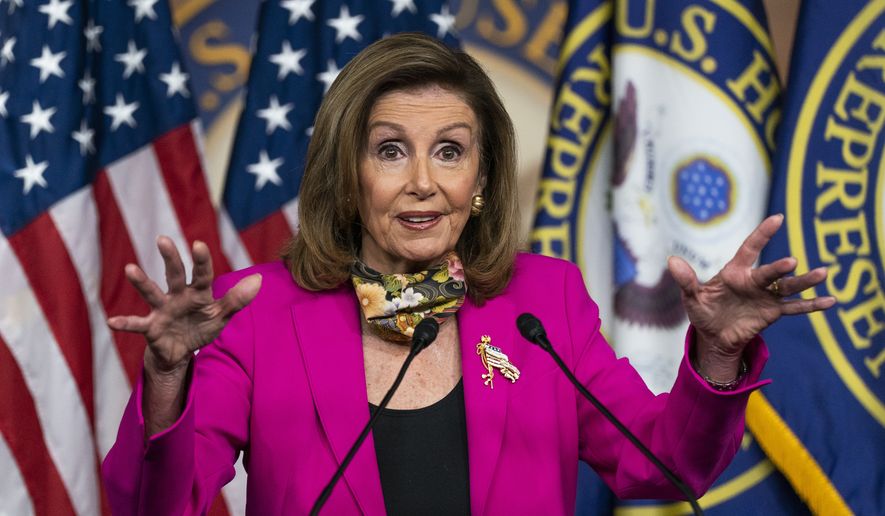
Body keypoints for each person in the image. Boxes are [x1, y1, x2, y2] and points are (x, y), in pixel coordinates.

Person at [101, 33, 834, 515]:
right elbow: (158, 507)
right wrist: (168, 375)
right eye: (390, 151)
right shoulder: (257, 311)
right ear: (346, 174)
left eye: (449, 151)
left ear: (480, 177)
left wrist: (715, 354)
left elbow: (664, 464)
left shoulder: (542, 302)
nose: (423, 181)